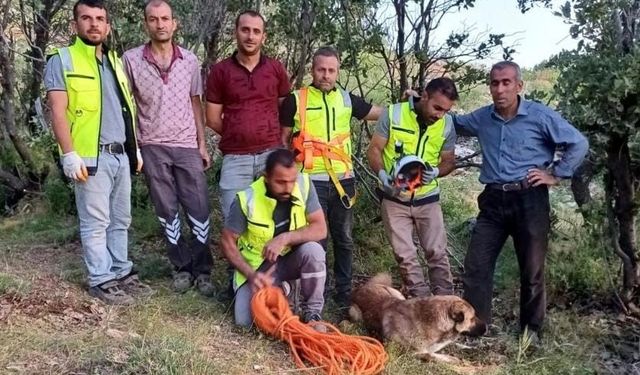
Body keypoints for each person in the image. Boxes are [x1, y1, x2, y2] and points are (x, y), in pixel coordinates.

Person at [453, 61, 589, 341]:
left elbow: (579, 143)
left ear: (519, 86)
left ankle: (531, 331)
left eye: (506, 82)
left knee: (532, 270)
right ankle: (477, 328)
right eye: (494, 83)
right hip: (492, 201)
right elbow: (452, 122)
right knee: (477, 265)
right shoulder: (483, 117)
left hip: (529, 200)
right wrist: (419, 101)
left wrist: (556, 174)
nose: (499, 89)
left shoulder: (539, 116)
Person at [45, 0, 152, 305]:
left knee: (121, 220)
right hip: (90, 157)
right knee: (96, 222)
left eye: (100, 19)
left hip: (121, 155)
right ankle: (100, 279)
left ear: (107, 26)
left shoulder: (115, 61)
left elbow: (126, 108)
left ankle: (120, 271)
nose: (94, 24)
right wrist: (69, 154)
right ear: (75, 24)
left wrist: (135, 149)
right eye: (87, 18)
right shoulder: (62, 59)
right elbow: (58, 112)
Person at [279, 46, 382, 310]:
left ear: (338, 72)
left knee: (344, 238)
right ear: (313, 70)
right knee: (315, 239)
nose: (326, 75)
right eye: (321, 69)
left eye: (331, 70)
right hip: (310, 182)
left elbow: (384, 114)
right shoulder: (296, 100)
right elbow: (282, 140)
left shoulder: (348, 100)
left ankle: (344, 293)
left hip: (343, 181)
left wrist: (412, 104)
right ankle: (316, 293)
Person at [122, 0, 213, 296]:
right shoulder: (131, 60)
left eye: (165, 19)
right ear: (145, 24)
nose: (160, 24)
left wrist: (202, 144)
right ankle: (181, 268)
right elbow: (128, 105)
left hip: (186, 144)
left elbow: (195, 101)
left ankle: (203, 270)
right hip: (151, 145)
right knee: (167, 211)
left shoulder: (189, 60)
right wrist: (134, 147)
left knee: (198, 208)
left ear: (175, 23)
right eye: (153, 19)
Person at [367, 77, 459, 298]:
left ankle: (446, 302)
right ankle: (422, 304)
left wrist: (436, 171)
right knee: (405, 255)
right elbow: (374, 150)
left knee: (437, 252)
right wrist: (382, 175)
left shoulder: (446, 124)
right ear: (424, 96)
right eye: (437, 107)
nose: (439, 115)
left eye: (445, 110)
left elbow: (448, 160)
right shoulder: (394, 113)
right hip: (395, 198)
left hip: (427, 198)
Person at [220, 149, 327, 328]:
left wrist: (285, 238)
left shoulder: (303, 185)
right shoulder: (247, 199)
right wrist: (251, 275)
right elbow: (226, 242)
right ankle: (284, 290)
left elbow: (320, 228)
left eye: (291, 181)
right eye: (281, 182)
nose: (288, 188)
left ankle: (313, 313)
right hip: (258, 269)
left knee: (314, 251)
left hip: (291, 260)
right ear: (266, 177)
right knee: (246, 323)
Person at [205, 10, 291, 220]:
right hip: (235, 158)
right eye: (245, 30)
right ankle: (238, 255)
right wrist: (238, 132)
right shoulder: (220, 71)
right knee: (235, 218)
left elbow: (286, 110)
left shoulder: (275, 69)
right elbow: (213, 118)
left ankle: (274, 255)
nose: (250, 36)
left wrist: (280, 139)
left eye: (256, 31)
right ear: (236, 32)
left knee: (275, 218)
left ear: (264, 36)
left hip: (271, 154)